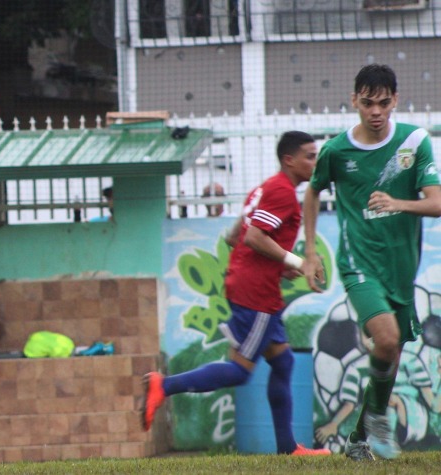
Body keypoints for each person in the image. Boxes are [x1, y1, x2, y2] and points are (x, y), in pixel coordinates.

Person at [141, 131, 330, 457]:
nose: (315, 162)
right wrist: (296, 260)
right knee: (240, 371)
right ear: (289, 160)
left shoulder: (263, 188)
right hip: (255, 294)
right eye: (310, 156)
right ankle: (164, 385)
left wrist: (280, 266)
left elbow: (235, 236)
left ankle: (289, 449)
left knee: (283, 363)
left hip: (256, 285)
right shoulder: (282, 192)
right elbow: (255, 237)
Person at [302, 64, 441, 461]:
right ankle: (378, 419)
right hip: (358, 262)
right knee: (386, 338)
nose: (375, 112)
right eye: (367, 103)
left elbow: (436, 202)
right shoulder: (335, 151)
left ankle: (361, 437)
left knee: (391, 351)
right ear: (354, 102)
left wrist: (398, 203)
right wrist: (310, 251)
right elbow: (312, 194)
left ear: (395, 100)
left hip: (400, 268)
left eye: (383, 103)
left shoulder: (414, 142)